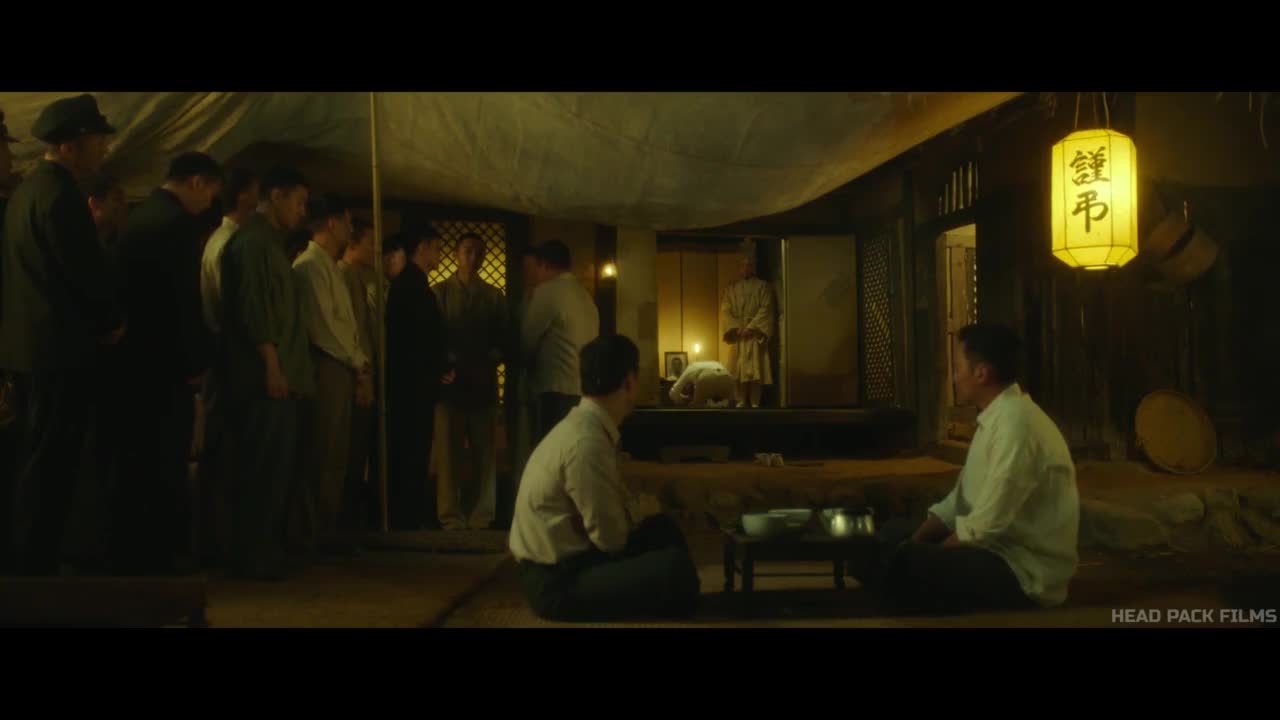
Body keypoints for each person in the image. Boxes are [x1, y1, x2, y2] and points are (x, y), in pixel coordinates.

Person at [850, 323, 1079, 614]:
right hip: (991, 549)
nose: (954, 377)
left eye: (958, 368)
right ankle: (898, 583)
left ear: (981, 373)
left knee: (909, 563)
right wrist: (913, 541)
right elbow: (958, 503)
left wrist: (928, 553)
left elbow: (988, 523)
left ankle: (898, 588)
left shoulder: (1017, 425)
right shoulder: (995, 418)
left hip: (1022, 570)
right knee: (890, 536)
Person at [0, 94, 123, 575]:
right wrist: (109, 323)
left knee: (33, 456)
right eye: (97, 140)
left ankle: (29, 558)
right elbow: (83, 272)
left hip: (27, 350)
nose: (104, 149)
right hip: (58, 351)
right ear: (71, 145)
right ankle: (37, 564)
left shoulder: (26, 193)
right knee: (52, 461)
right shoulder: (61, 196)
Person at [510, 334, 701, 622]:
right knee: (673, 569)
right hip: (558, 581)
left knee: (662, 529)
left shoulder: (586, 426)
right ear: (629, 382)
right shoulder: (586, 442)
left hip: (572, 558)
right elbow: (611, 538)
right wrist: (632, 513)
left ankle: (672, 598)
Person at [110, 151, 221, 574]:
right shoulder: (176, 225)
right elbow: (181, 303)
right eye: (209, 193)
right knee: (163, 462)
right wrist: (196, 359)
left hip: (131, 361)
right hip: (164, 365)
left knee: (135, 461)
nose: (209, 204)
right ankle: (155, 558)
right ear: (196, 182)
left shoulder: (140, 217)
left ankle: (131, 554)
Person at [219, 165, 314, 580]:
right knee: (262, 469)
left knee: (275, 470)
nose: (302, 211)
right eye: (298, 202)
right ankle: (253, 556)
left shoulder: (270, 243)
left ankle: (265, 551)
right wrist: (273, 367)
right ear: (276, 196)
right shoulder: (254, 243)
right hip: (263, 378)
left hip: (279, 375)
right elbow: (254, 311)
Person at [291, 194, 369, 553]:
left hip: (341, 364)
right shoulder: (309, 267)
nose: (351, 230)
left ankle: (326, 529)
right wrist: (356, 359)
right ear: (332, 223)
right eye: (348, 222)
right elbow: (324, 326)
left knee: (337, 454)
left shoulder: (329, 267)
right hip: (327, 364)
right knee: (322, 452)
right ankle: (312, 533)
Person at [195, 167, 257, 565]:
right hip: (227, 358)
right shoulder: (229, 244)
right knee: (225, 454)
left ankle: (221, 540)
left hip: (225, 356)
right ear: (244, 197)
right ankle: (219, 543)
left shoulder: (225, 241)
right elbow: (232, 310)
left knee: (227, 453)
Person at [433, 232, 507, 531]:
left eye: (478, 252)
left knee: (484, 456)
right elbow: (433, 337)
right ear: (455, 254)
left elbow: (503, 339)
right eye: (467, 250)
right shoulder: (439, 293)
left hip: (482, 382)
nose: (472, 257)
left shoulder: (493, 296)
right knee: (448, 456)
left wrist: (489, 358)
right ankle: (450, 515)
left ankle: (480, 516)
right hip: (449, 384)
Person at [385, 230, 453, 531]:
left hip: (413, 383)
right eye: (436, 248)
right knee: (412, 450)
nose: (439, 255)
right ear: (422, 248)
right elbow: (421, 338)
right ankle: (407, 516)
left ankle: (408, 513)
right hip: (413, 386)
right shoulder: (411, 286)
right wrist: (440, 365)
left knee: (414, 450)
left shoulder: (411, 284)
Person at [521, 239, 599, 445]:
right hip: (582, 387)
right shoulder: (585, 295)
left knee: (551, 451)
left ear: (543, 265)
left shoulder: (547, 291)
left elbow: (527, 339)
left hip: (555, 388)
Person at [338, 218, 379, 530]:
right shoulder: (344, 275)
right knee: (349, 453)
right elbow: (351, 332)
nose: (375, 249)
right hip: (354, 374)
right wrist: (362, 375)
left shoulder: (364, 277)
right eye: (370, 242)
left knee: (359, 451)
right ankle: (344, 522)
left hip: (364, 369)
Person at [720, 238, 776, 408]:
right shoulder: (731, 288)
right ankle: (740, 399)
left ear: (753, 266)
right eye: (742, 265)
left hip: (754, 334)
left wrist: (752, 327)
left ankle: (755, 401)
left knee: (756, 368)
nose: (745, 268)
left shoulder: (763, 286)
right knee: (738, 368)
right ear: (739, 267)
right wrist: (735, 327)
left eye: (749, 265)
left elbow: (766, 308)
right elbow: (726, 309)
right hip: (739, 334)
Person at [669, 360, 737, 408]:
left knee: (696, 407)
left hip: (706, 377)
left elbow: (673, 393)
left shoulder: (690, 368)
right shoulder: (713, 363)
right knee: (731, 407)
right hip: (727, 376)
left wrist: (681, 399)